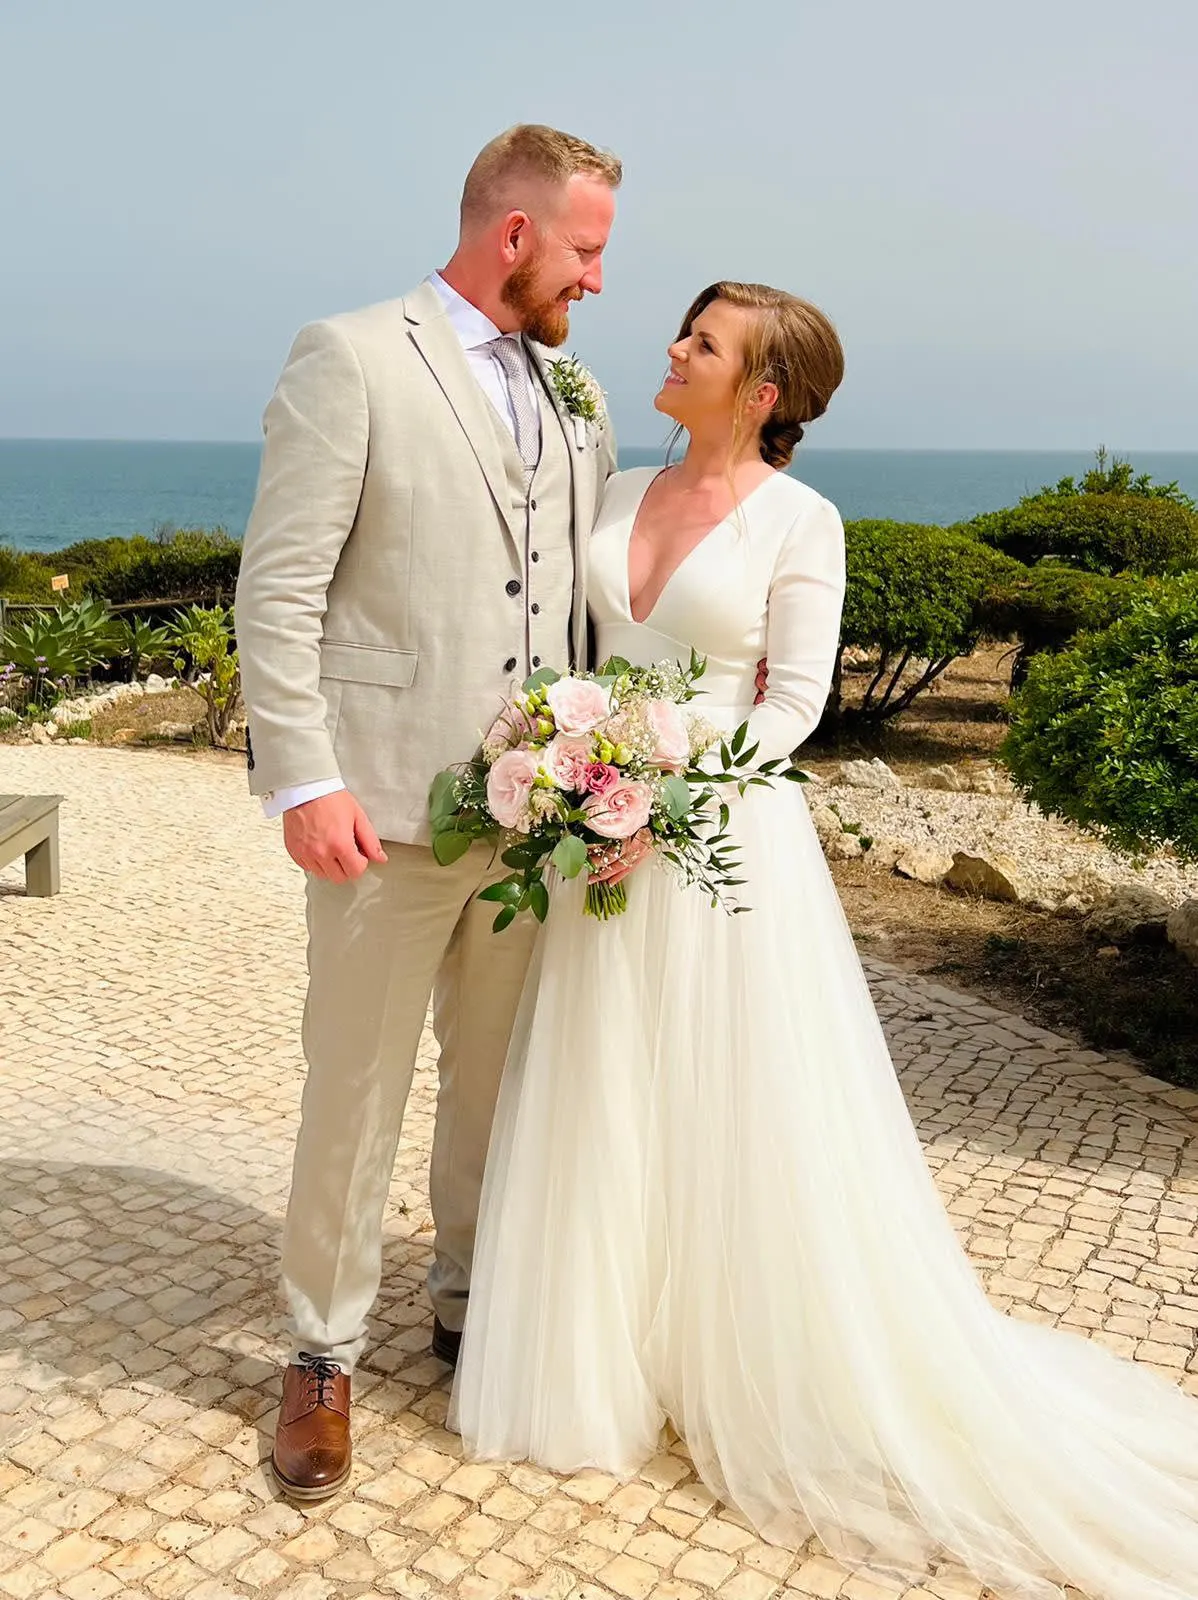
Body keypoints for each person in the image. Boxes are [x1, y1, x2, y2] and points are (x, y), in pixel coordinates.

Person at [452, 281, 1198, 1600]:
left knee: (733, 1108)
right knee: (598, 1092)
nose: (671, 351)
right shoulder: (614, 488)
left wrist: (652, 783)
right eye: (681, 333)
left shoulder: (803, 521)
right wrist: (571, 770)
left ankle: (743, 1349)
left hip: (715, 857)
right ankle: (603, 1350)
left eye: (702, 343)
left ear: (764, 391)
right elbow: (561, 648)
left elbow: (791, 708)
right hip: (596, 848)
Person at [234, 123, 621, 1501]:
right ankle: (322, 1354)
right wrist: (304, 775)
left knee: (498, 1082)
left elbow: (575, 598)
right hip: (381, 805)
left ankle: (466, 1304)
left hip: (536, 820)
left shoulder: (577, 390)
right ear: (511, 234)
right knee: (354, 1085)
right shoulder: (349, 356)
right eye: (584, 251)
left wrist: (607, 771)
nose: (595, 281)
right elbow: (278, 586)